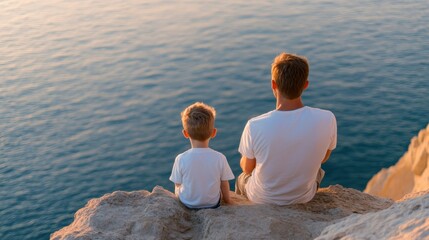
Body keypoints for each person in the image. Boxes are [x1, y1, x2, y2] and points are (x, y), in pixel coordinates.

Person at [235, 52, 337, 205]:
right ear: (305, 85)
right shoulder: (327, 118)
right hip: (305, 196)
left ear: (273, 84)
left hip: (263, 198)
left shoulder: (255, 125)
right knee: (318, 171)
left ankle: (243, 211)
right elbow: (323, 158)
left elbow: (248, 169)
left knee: (242, 178)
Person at [170, 102, 235, 209]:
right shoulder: (220, 157)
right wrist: (228, 201)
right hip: (213, 204)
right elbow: (224, 183)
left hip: (188, 203)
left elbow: (177, 183)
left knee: (178, 186)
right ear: (213, 133)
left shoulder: (181, 158)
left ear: (185, 133)